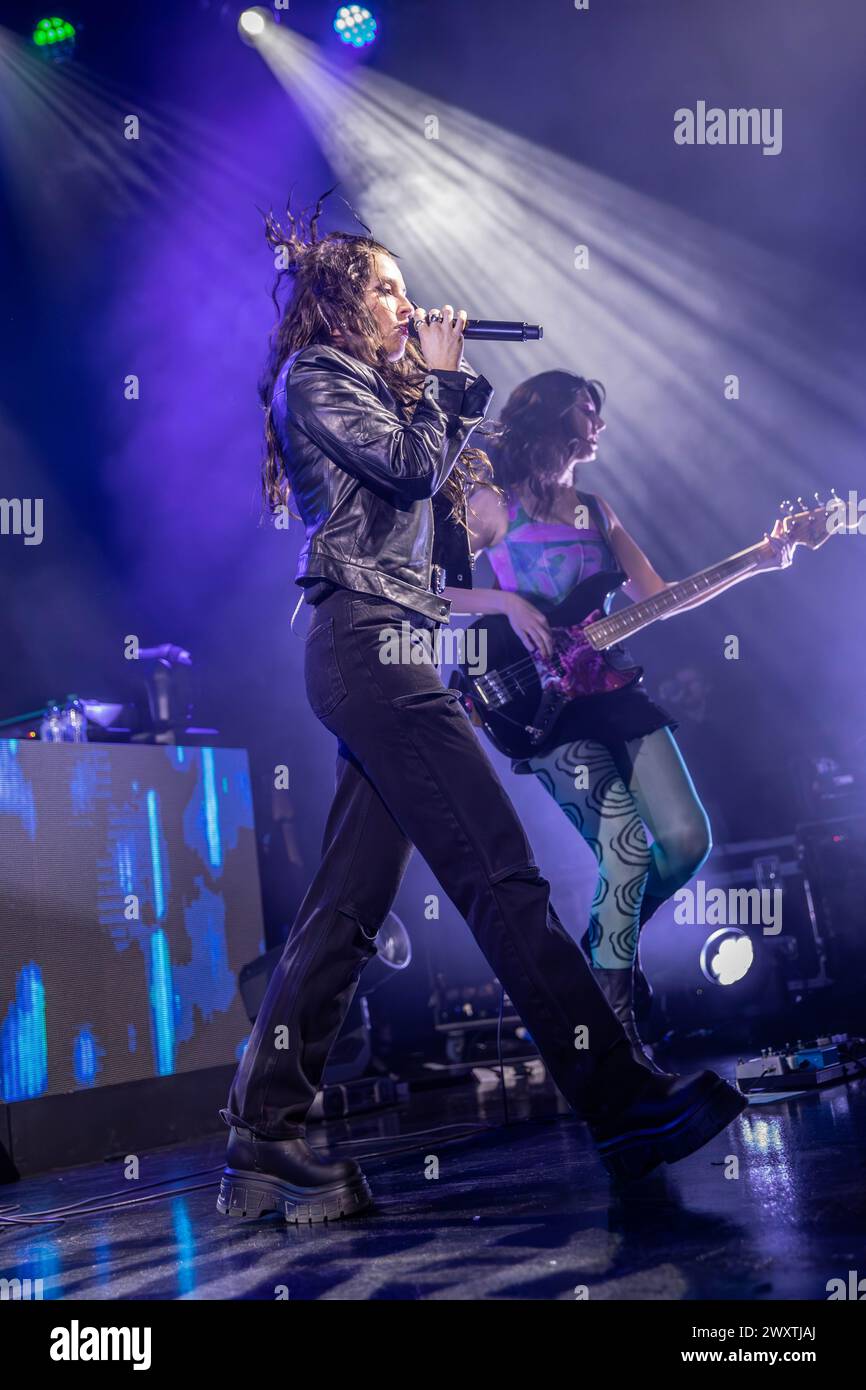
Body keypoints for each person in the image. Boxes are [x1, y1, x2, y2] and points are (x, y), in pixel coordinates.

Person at [217, 204, 745, 1224]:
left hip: (397, 646)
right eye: (386, 288)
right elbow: (407, 466)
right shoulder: (317, 377)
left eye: (407, 290)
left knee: (346, 908)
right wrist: (450, 384)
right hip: (366, 643)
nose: (407, 304)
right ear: (337, 300)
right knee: (501, 876)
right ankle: (619, 1100)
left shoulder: (386, 391)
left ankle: (263, 1129)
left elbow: (432, 525)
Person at [443, 370, 795, 1069]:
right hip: (540, 710)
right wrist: (507, 604)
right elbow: (429, 589)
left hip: (611, 691)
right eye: (587, 409)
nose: (599, 423)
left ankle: (610, 946)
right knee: (627, 848)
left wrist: (760, 559)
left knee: (685, 840)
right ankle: (617, 1042)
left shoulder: (598, 512)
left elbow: (661, 597)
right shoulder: (492, 505)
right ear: (551, 415)